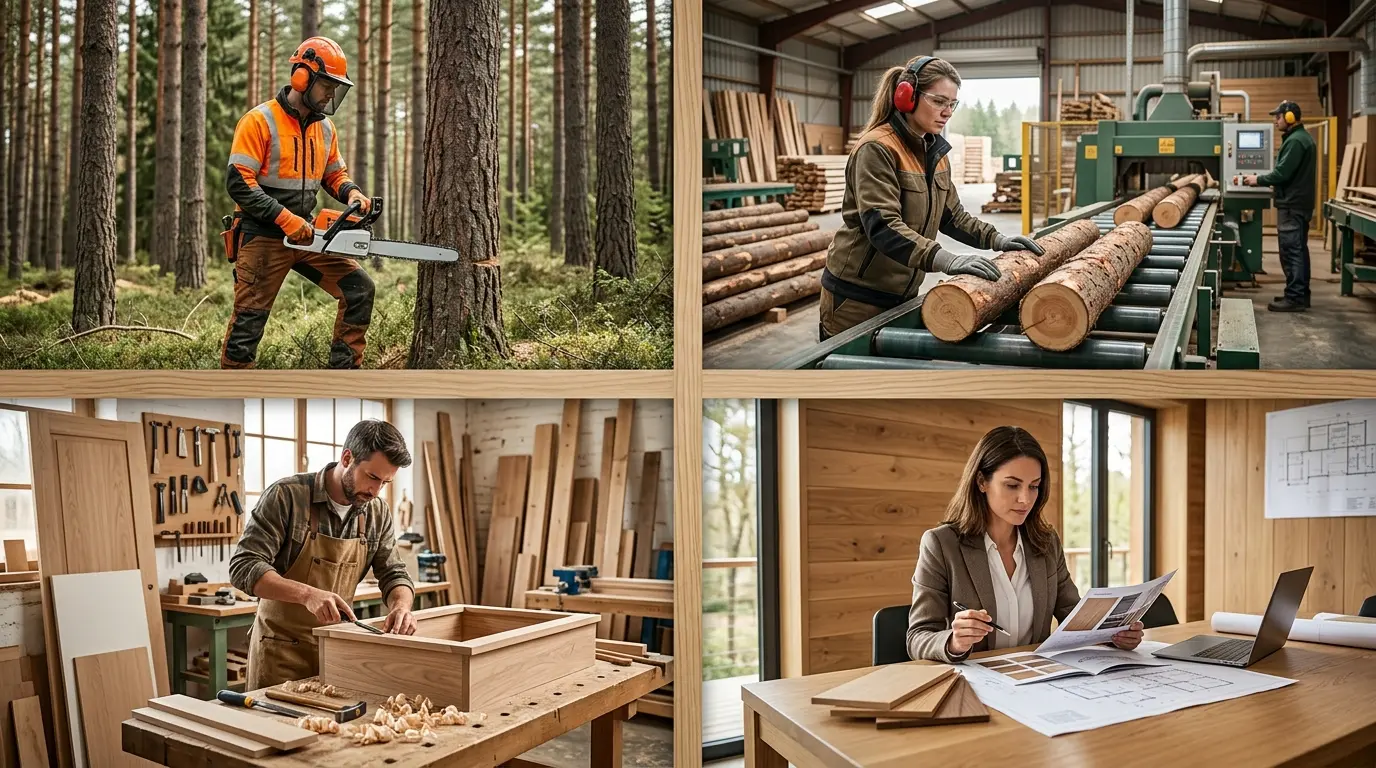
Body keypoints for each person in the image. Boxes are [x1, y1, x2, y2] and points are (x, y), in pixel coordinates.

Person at [819, 55, 1044, 339]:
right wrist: (946, 259)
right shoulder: (877, 148)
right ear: (907, 97)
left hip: (903, 294)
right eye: (938, 101)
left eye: (952, 103)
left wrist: (997, 239)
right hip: (856, 298)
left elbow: (952, 217)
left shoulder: (934, 153)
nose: (947, 111)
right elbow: (883, 227)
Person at [906, 426, 1145, 663]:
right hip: (975, 681)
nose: (1025, 499)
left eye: (1033, 486)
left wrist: (1113, 635)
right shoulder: (941, 544)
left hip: (1037, 678)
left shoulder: (1046, 542)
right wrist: (954, 642)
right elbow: (917, 637)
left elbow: (1074, 617)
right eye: (1012, 485)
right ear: (981, 481)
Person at [222, 36, 376, 369]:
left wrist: (352, 193)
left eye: (337, 87)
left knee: (358, 289)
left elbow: (335, 174)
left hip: (307, 235)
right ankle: (232, 386)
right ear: (302, 77)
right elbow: (239, 183)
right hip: (262, 235)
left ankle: (344, 376)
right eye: (327, 85)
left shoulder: (325, 129)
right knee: (248, 324)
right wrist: (283, 217)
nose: (332, 94)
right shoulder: (259, 121)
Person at [230, 419, 418, 689]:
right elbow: (243, 567)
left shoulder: (377, 511)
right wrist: (307, 595)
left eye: (385, 483)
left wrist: (401, 607)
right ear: (347, 458)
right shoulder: (286, 496)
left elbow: (394, 572)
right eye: (372, 477)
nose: (376, 491)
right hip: (280, 654)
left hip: (336, 655)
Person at [1242, 100, 1317, 313]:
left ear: (1290, 117)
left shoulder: (1295, 141)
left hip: (1292, 205)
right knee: (1299, 250)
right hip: (1297, 204)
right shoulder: (1300, 139)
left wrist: (1258, 179)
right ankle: (1299, 294)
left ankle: (1294, 298)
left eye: (1278, 117)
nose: (1276, 121)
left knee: (1292, 251)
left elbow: (1282, 174)